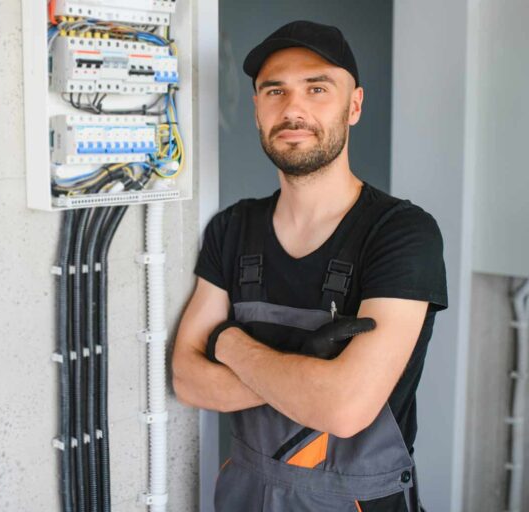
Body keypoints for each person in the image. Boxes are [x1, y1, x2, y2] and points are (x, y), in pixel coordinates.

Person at [171, 20, 448, 511]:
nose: (293, 109)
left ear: (354, 105)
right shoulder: (231, 228)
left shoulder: (401, 232)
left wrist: (228, 342)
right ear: (257, 109)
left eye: (317, 88)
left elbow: (343, 409)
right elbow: (188, 379)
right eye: (274, 91)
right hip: (245, 496)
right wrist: (308, 370)